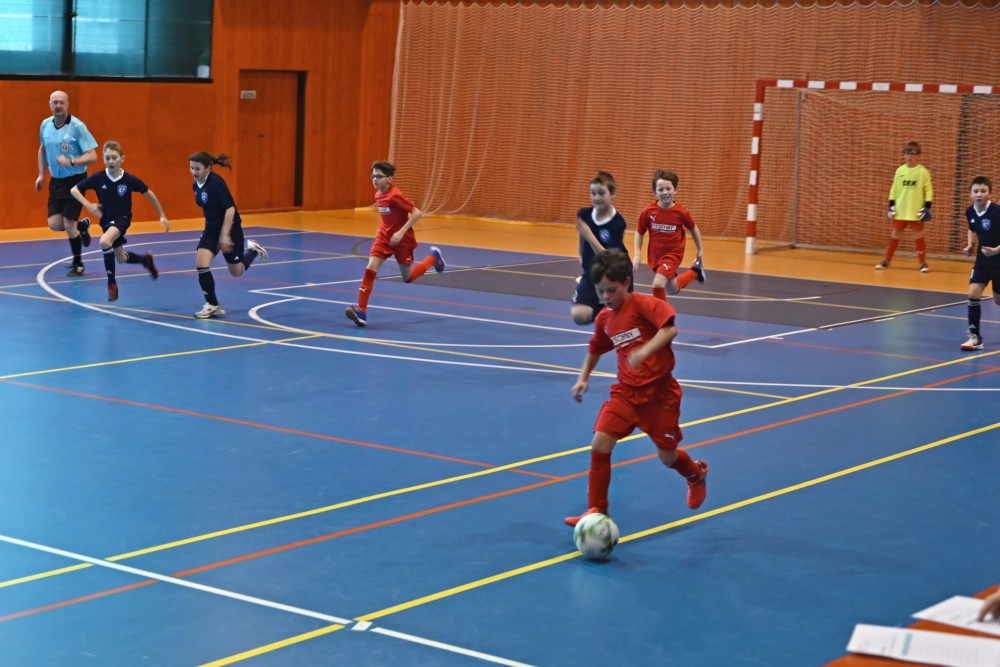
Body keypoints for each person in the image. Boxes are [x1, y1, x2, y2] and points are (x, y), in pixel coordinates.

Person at [564, 249, 708, 527]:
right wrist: (583, 378)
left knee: (667, 457)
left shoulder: (643, 304)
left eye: (612, 290)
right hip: (626, 394)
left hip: (660, 396)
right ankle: (597, 509)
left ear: (626, 283)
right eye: (601, 292)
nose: (606, 297)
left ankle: (695, 474)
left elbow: (670, 330)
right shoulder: (605, 318)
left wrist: (645, 351)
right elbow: (596, 347)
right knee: (600, 443)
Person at [345, 161, 445, 327]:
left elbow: (417, 213)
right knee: (370, 269)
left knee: (408, 278)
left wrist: (401, 232)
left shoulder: (395, 195)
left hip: (402, 240)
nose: (375, 179)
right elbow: (388, 217)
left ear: (389, 179)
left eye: (379, 176)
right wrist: (384, 229)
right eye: (373, 176)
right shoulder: (378, 194)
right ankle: (361, 311)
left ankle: (433, 258)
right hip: (384, 238)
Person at [70, 141, 169, 302]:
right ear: (103, 158)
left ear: (122, 158)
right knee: (121, 258)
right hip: (106, 221)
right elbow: (74, 190)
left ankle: (112, 284)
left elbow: (148, 193)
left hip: (123, 219)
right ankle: (145, 260)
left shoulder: (129, 180)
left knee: (104, 241)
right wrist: (88, 205)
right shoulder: (98, 178)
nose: (110, 161)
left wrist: (162, 215)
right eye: (107, 158)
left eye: (114, 157)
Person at [189, 151, 268, 319]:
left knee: (236, 271)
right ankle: (213, 305)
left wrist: (225, 235)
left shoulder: (215, 183)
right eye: (191, 168)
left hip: (230, 229)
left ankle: (252, 250)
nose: (194, 172)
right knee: (201, 264)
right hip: (211, 230)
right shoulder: (196, 185)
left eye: (197, 168)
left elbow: (230, 209)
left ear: (208, 168)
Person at [35, 90, 99, 277]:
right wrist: (41, 175)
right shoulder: (45, 125)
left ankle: (78, 264)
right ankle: (82, 227)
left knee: (69, 224)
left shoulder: (77, 127)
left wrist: (71, 161)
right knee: (55, 224)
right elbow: (42, 149)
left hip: (76, 181)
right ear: (50, 104)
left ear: (67, 104)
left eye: (62, 102)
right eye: (55, 102)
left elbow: (93, 156)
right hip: (56, 182)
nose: (58, 105)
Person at [632, 168, 705, 302]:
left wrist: (700, 249)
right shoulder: (648, 211)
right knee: (672, 288)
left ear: (675, 190)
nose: (665, 192)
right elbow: (639, 232)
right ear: (655, 193)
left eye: (668, 188)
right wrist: (637, 254)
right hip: (655, 256)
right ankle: (695, 272)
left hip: (673, 255)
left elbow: (693, 228)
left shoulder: (681, 212)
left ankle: (663, 315)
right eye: (660, 189)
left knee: (657, 284)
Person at [571, 171, 632, 325]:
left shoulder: (617, 223)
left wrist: (589, 235)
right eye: (593, 193)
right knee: (579, 315)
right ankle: (603, 312)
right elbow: (581, 243)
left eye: (601, 193)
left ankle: (610, 312)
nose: (597, 197)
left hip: (615, 273)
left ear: (612, 194)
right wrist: (584, 265)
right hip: (593, 273)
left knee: (625, 318)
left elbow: (609, 258)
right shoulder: (584, 214)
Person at [876, 141, 934, 272]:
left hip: (916, 211)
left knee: (919, 235)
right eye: (907, 153)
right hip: (901, 210)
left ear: (919, 156)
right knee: (895, 233)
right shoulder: (899, 171)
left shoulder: (923, 172)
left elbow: (928, 189)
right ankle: (886, 261)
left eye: (913, 154)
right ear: (904, 155)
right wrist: (891, 205)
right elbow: (894, 189)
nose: (910, 156)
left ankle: (923, 263)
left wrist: (927, 207)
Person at [960, 175, 1000, 351]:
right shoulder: (970, 212)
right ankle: (975, 337)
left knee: (998, 301)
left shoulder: (997, 212)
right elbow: (972, 229)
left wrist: (996, 250)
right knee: (973, 294)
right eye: (975, 191)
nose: (979, 194)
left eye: (983, 191)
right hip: (982, 263)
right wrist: (970, 245)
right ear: (970, 194)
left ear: (990, 193)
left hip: (999, 263)